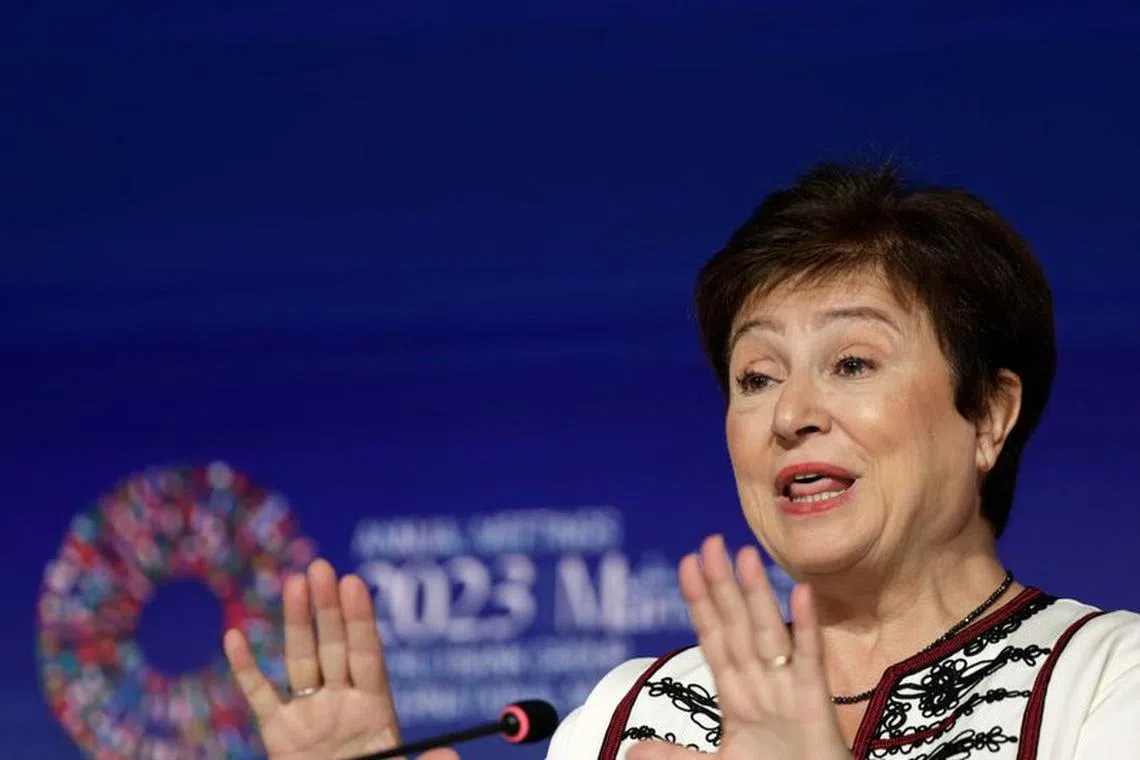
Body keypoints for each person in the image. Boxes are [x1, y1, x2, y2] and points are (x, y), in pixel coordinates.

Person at [224, 161, 1140, 759]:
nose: (791, 414)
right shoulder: (630, 713)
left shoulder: (1106, 682)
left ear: (988, 413)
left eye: (852, 363)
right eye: (755, 377)